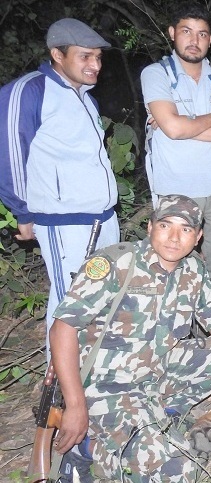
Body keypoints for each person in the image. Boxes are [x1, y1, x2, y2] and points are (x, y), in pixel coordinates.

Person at [49, 195, 211, 482]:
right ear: (150, 227)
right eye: (165, 225)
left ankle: (161, 415)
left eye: (185, 229)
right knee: (178, 470)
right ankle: (87, 449)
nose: (174, 238)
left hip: (158, 369)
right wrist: (75, 405)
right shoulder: (115, 264)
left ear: (198, 236)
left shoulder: (193, 268)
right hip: (107, 385)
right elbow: (62, 328)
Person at [0, 18, 120, 356]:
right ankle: (59, 380)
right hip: (64, 222)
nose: (95, 65)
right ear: (57, 54)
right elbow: (9, 154)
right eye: (85, 56)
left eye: (98, 57)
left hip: (104, 218)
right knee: (70, 303)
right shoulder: (30, 91)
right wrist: (22, 211)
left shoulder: (86, 98)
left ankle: (96, 368)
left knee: (105, 295)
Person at [141, 2, 211, 304]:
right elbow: (173, 128)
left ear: (210, 40)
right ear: (172, 33)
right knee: (171, 264)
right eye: (186, 31)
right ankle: (172, 325)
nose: (194, 40)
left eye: (202, 34)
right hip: (176, 190)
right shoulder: (156, 74)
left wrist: (183, 125)